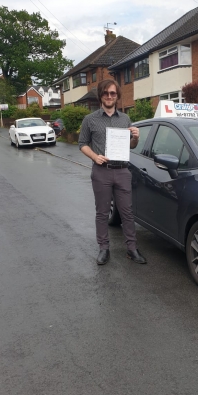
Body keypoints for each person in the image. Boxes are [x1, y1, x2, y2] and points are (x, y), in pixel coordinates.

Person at [78, 78, 147, 266]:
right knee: (101, 213)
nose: (109, 96)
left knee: (127, 212)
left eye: (113, 93)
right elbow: (82, 144)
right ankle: (103, 248)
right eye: (106, 93)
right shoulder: (90, 119)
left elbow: (130, 145)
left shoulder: (125, 119)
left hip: (123, 171)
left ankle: (132, 249)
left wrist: (135, 138)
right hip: (101, 171)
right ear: (101, 95)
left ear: (117, 96)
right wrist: (94, 157)